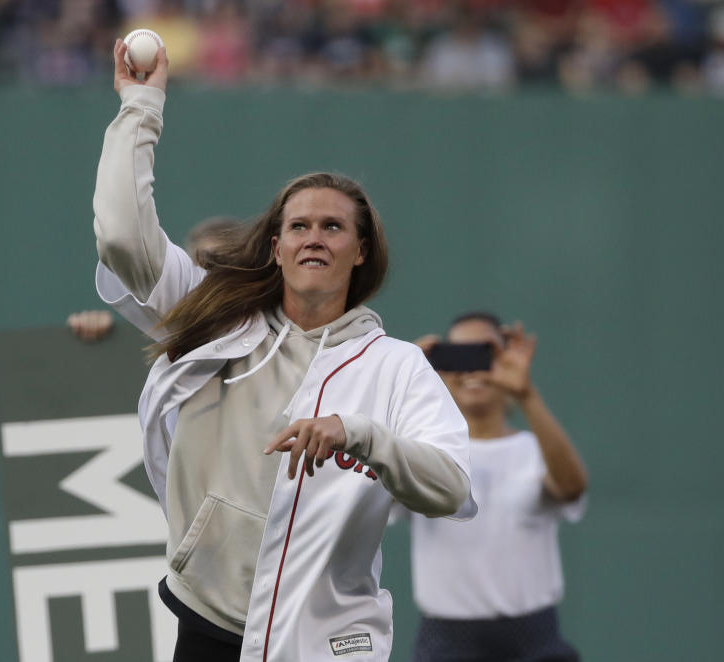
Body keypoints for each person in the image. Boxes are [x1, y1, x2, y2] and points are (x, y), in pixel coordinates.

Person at [91, 38, 476, 662]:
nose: (313, 238)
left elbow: (454, 488)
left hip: (326, 644)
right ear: (275, 247)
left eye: (333, 227)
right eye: (298, 226)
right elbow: (120, 237)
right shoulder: (215, 316)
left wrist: (362, 435)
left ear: (361, 250)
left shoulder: (395, 365)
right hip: (209, 625)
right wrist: (141, 105)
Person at [409, 312, 589, 662]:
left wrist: (526, 394)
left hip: (535, 641)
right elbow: (373, 481)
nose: (472, 370)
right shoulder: (421, 455)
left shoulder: (536, 451)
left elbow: (571, 488)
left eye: (484, 355)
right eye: (457, 356)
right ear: (440, 368)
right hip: (446, 644)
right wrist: (405, 384)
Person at [68, 216, 240, 341]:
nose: (211, 277)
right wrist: (95, 326)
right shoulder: (161, 314)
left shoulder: (264, 326)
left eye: (225, 263)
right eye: (205, 264)